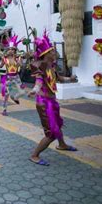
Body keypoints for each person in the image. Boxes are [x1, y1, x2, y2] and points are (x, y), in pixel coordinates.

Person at [28, 30, 78, 166]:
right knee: (50, 133)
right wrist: (35, 90)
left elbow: (59, 79)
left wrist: (71, 79)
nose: (55, 52)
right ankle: (34, 155)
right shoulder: (40, 66)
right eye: (52, 51)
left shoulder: (52, 67)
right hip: (44, 103)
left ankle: (62, 145)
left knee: (58, 125)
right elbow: (38, 81)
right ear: (46, 54)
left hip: (52, 101)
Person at [0, 34, 26, 116]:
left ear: (14, 51)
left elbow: (21, 66)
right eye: (9, 49)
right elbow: (0, 65)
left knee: (22, 92)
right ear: (7, 51)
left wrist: (19, 61)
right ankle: (4, 109)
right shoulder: (5, 59)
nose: (11, 51)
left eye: (12, 49)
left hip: (16, 77)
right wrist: (0, 62)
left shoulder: (17, 58)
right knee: (6, 94)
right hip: (9, 78)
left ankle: (15, 97)